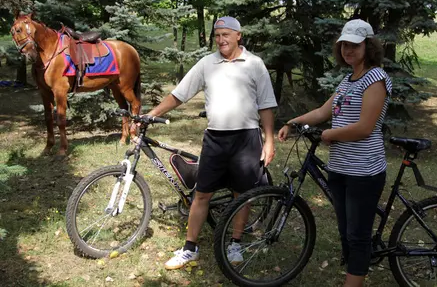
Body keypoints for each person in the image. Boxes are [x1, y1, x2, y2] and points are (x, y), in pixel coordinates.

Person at [144, 16, 277, 270]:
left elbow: (267, 106)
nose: (221, 40)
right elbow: (179, 95)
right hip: (215, 138)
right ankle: (189, 248)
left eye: (226, 34)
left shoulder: (255, 64)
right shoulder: (207, 64)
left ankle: (236, 242)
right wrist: (153, 114)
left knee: (242, 194)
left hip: (246, 138)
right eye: (217, 35)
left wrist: (269, 140)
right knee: (202, 193)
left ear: (239, 35)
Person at [278, 19, 392, 287]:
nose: (347, 50)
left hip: (364, 170)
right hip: (340, 168)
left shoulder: (376, 79)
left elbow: (365, 127)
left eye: (354, 45)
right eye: (343, 45)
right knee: (346, 230)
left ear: (368, 46)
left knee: (357, 235)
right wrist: (293, 122)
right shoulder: (348, 80)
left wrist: (330, 134)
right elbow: (322, 112)